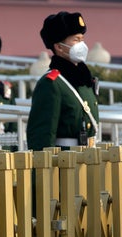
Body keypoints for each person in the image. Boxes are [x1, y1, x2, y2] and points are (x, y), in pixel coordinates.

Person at [27, 11, 99, 151]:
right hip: (65, 161)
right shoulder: (51, 83)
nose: (82, 45)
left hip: (89, 157)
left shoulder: (84, 79)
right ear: (59, 47)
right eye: (76, 40)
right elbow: (42, 135)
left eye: (82, 39)